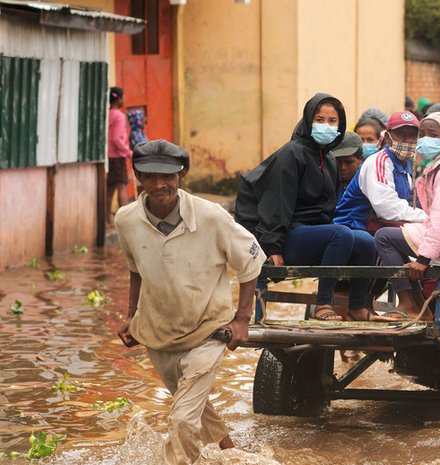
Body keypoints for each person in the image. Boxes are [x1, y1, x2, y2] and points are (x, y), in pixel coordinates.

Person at [114, 139, 265, 465]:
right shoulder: (126, 220)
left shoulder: (211, 217)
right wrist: (131, 315)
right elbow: (135, 268)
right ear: (138, 176)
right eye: (150, 176)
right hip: (160, 334)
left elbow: (251, 260)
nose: (159, 184)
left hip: (208, 331)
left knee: (183, 418)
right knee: (195, 408)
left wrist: (241, 319)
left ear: (181, 175)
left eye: (167, 176)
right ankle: (232, 456)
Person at [235, 93, 375, 321]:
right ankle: (323, 304)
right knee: (341, 234)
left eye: (332, 121)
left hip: (314, 235)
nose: (326, 126)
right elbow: (277, 203)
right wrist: (273, 248)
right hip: (289, 236)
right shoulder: (291, 153)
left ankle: (357, 306)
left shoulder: (329, 159)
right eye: (319, 120)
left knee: (366, 241)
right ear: (308, 120)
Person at [374, 113, 440, 318]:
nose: (426, 139)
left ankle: (408, 303)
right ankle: (420, 307)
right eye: (423, 134)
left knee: (384, 237)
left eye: (433, 135)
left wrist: (423, 259)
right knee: (394, 235)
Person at [334, 111, 426, 233]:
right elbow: (387, 209)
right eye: (400, 134)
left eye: (412, 135)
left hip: (377, 228)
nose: (407, 140)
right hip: (353, 229)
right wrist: (427, 218)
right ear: (388, 137)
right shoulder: (379, 162)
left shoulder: (406, 166)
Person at [107, 87, 133, 225]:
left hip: (108, 156)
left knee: (110, 189)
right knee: (122, 187)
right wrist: (129, 153)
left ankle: (107, 219)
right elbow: (117, 138)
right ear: (118, 100)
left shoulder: (107, 114)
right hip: (117, 157)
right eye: (123, 97)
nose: (124, 100)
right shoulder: (119, 116)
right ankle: (125, 221)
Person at [331, 131, 364, 201]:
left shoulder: (368, 183)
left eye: (349, 162)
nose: (343, 167)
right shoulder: (326, 184)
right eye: (338, 162)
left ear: (360, 159)